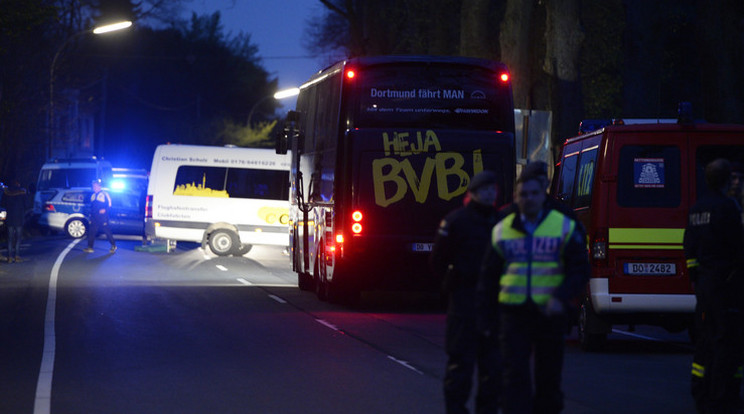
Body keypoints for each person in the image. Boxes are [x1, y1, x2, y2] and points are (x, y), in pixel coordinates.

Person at [478, 165, 589, 414]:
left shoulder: (563, 225)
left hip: (549, 314)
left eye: (533, 193)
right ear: (516, 197)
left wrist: (561, 297)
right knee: (513, 379)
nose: (528, 199)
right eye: (523, 194)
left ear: (543, 194)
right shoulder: (502, 227)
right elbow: (488, 278)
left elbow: (580, 269)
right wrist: (485, 318)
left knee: (548, 380)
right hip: (513, 315)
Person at [430, 170, 501, 414]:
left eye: (492, 189)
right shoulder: (456, 221)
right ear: (472, 193)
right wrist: (452, 282)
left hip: (493, 305)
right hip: (464, 302)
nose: (489, 194)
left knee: (492, 371)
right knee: (460, 366)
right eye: (484, 190)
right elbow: (438, 259)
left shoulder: (501, 223)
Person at [684, 158, 744, 414]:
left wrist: (696, 275)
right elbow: (738, 248)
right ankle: (722, 396)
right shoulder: (727, 207)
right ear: (725, 180)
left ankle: (700, 390)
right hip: (725, 285)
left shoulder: (697, 208)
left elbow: (689, 246)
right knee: (725, 340)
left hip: (705, 285)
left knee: (705, 340)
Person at [84, 180, 117, 253]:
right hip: (94, 217)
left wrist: (105, 210)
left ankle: (113, 245)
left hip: (102, 216)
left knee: (106, 231)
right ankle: (90, 247)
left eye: (96, 186)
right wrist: (90, 215)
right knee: (91, 232)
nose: (94, 187)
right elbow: (92, 207)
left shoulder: (105, 194)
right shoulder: (92, 196)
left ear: (99, 186)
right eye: (93, 186)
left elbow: (110, 205)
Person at [1, 179, 29, 263]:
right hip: (19, 218)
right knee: (18, 238)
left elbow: (2, 204)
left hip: (10, 218)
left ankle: (9, 257)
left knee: (9, 238)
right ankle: (17, 256)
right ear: (18, 184)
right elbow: (26, 205)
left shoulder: (7, 193)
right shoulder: (22, 193)